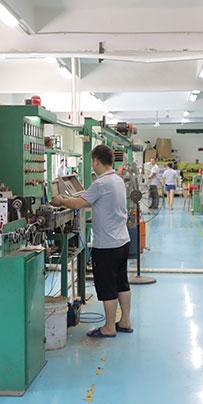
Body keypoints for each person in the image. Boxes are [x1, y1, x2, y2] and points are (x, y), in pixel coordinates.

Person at [52, 144, 132, 338]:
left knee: (107, 285)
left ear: (96, 161)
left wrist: (60, 200)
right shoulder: (117, 180)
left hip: (107, 245)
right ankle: (125, 321)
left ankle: (109, 328)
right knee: (121, 282)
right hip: (122, 241)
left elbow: (77, 203)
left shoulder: (101, 183)